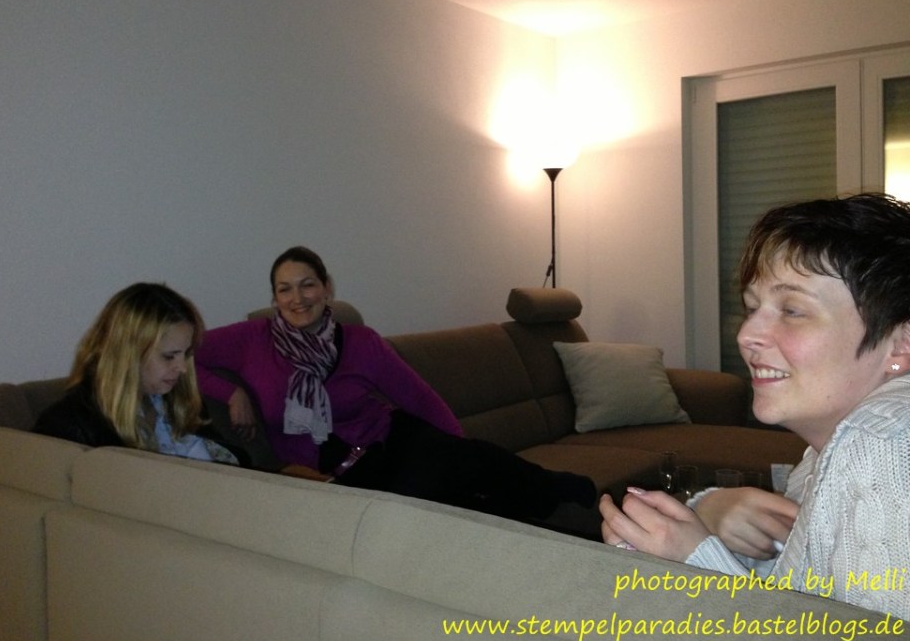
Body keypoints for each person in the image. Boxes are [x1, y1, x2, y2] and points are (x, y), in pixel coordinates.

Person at [599, 192, 910, 619]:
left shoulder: (881, 438)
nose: (746, 336)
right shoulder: (831, 449)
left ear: (901, 343)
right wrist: (710, 515)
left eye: (793, 310)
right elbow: (811, 588)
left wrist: (695, 561)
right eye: (752, 308)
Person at [194, 245, 597, 524]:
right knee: (446, 499)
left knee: (475, 463)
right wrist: (232, 392)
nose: (297, 297)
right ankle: (544, 505)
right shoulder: (252, 339)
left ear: (327, 288)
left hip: (394, 440)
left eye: (307, 284)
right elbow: (184, 355)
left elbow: (418, 396)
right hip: (344, 473)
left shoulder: (360, 342)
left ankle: (560, 491)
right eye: (285, 289)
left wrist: (456, 447)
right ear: (274, 298)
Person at [34, 282, 241, 465]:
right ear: (127, 355)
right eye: (169, 356)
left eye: (186, 354)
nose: (183, 368)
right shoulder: (68, 426)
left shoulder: (180, 400)